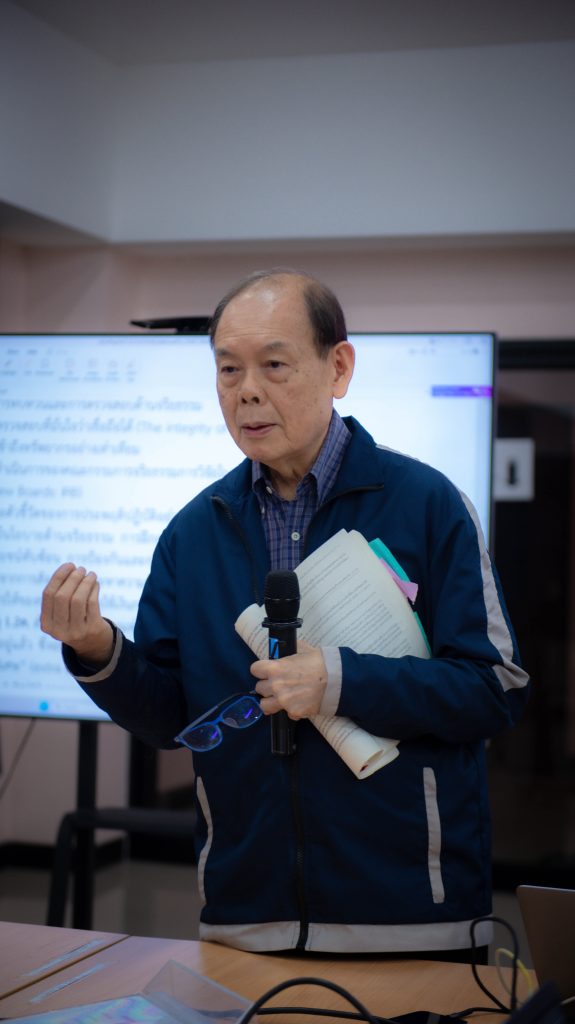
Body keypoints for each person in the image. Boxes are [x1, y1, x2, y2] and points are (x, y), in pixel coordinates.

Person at [41, 268, 529, 958]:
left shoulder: (427, 503)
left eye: (273, 365)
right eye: (228, 370)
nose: (246, 391)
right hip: (246, 920)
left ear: (339, 367)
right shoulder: (194, 531)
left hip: (413, 918)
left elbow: (494, 687)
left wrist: (340, 681)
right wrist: (99, 651)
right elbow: (173, 720)